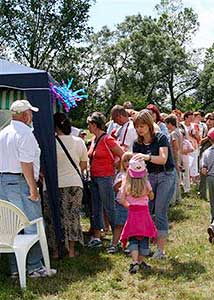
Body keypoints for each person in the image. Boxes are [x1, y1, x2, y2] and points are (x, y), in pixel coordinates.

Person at [0, 100, 56, 277]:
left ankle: (16, 268)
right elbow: (25, 163)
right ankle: (33, 266)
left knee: (10, 226)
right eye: (30, 114)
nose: (31, 117)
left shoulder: (3, 132)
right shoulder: (26, 134)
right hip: (20, 182)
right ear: (26, 115)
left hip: (3, 181)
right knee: (32, 224)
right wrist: (33, 188)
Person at [132, 110, 176, 259]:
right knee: (145, 211)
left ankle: (160, 250)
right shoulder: (137, 143)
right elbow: (136, 167)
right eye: (137, 126)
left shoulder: (161, 138)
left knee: (160, 212)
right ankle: (144, 248)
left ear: (149, 125)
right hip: (148, 177)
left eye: (142, 125)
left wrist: (147, 157)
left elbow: (163, 159)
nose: (140, 129)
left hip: (166, 175)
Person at [45, 113, 88, 258]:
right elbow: (83, 165)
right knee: (72, 217)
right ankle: (70, 250)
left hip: (51, 185)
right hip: (74, 183)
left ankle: (56, 251)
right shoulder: (78, 141)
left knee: (52, 217)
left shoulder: (48, 142)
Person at [87, 112, 124, 248]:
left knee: (109, 207)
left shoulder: (107, 139)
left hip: (105, 177)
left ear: (94, 125)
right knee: (96, 207)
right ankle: (96, 236)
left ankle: (117, 236)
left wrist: (118, 171)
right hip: (95, 177)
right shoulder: (94, 140)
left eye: (89, 124)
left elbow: (122, 154)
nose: (88, 127)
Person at [119, 156, 157, 274]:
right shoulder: (146, 183)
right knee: (144, 237)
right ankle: (141, 262)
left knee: (133, 238)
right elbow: (151, 197)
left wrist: (128, 205)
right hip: (144, 213)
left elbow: (121, 199)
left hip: (132, 214)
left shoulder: (127, 183)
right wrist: (149, 194)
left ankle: (134, 262)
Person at [108, 152, 134, 254]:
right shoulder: (120, 175)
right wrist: (121, 182)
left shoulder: (137, 175)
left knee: (130, 225)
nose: (127, 163)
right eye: (125, 161)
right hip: (120, 204)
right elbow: (114, 188)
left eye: (130, 160)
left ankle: (128, 244)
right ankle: (114, 244)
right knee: (118, 224)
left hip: (132, 204)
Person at [198, 113, 214, 200]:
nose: (209, 121)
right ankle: (202, 194)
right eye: (208, 119)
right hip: (204, 152)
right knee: (203, 172)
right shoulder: (203, 129)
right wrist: (209, 137)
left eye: (211, 119)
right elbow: (200, 141)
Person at [165, 114, 183, 205]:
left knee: (174, 178)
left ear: (170, 124)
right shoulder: (178, 131)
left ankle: (173, 199)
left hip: (174, 157)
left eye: (166, 124)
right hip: (178, 156)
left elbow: (175, 147)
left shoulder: (173, 134)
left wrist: (175, 159)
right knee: (176, 178)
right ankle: (177, 198)